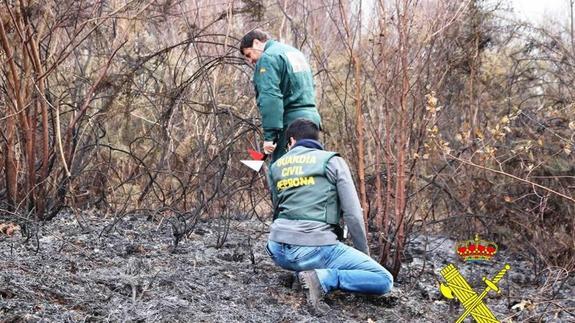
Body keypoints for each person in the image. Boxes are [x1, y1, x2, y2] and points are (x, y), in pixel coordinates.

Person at [266, 118, 394, 312]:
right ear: (317, 140)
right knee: (384, 280)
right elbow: (352, 214)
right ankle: (323, 278)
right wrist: (363, 255)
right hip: (314, 249)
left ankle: (300, 273)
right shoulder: (332, 161)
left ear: (291, 141)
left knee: (303, 248)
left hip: (277, 250)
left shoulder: (276, 166)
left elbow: (279, 208)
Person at [240, 29, 321, 162]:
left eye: (249, 55)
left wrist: (270, 137)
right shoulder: (295, 53)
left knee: (283, 171)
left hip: (291, 124)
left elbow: (270, 97)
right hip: (312, 121)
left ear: (256, 43)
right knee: (312, 168)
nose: (250, 60)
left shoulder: (268, 57)